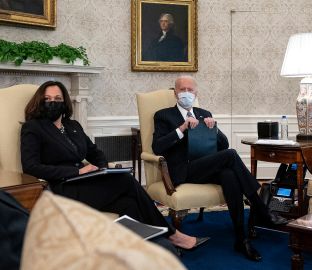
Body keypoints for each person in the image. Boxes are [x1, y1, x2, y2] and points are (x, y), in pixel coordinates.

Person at [20, 81, 207, 255]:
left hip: (86, 182)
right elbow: (31, 166)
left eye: (58, 99)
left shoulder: (73, 126)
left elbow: (95, 153)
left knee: (130, 203)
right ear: (40, 101)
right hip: (62, 188)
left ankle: (153, 246)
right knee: (125, 180)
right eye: (48, 99)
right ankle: (172, 235)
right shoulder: (33, 128)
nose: (53, 102)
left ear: (65, 102)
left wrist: (102, 170)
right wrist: (77, 171)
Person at [152, 75, 288, 261]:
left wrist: (214, 129)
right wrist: (182, 128)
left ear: (196, 92)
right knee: (232, 155)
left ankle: (241, 239)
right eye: (182, 89)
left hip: (206, 166)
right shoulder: (163, 115)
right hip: (183, 170)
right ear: (175, 92)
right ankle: (260, 208)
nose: (186, 93)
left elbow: (222, 146)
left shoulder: (203, 112)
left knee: (230, 175)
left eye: (190, 90)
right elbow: (157, 147)